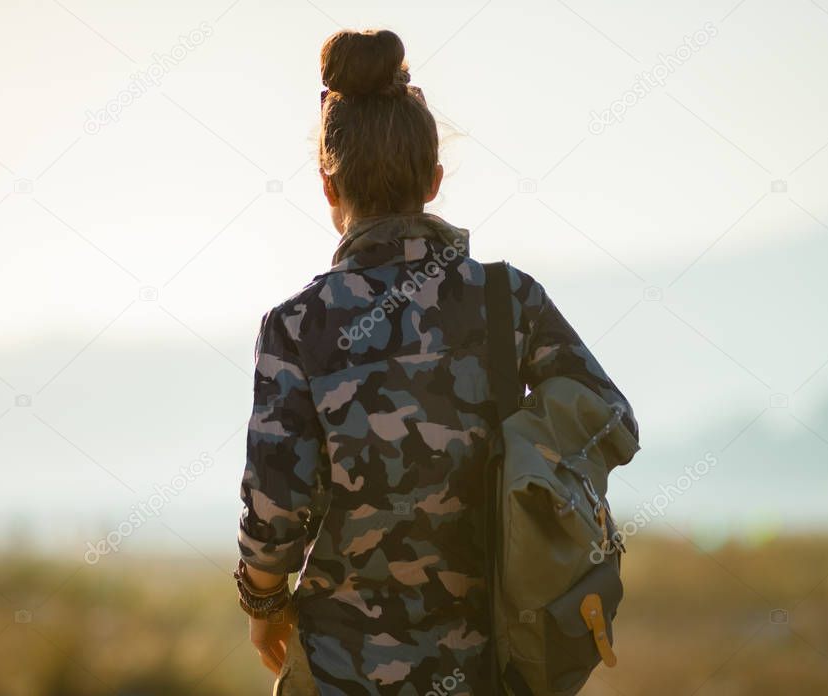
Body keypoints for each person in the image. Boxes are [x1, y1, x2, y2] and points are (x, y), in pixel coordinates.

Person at [234, 28, 638, 696]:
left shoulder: (298, 326)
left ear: (327, 186)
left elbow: (275, 509)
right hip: (492, 669)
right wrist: (529, 479)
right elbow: (607, 416)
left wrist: (260, 604)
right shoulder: (509, 301)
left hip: (343, 673)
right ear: (434, 180)